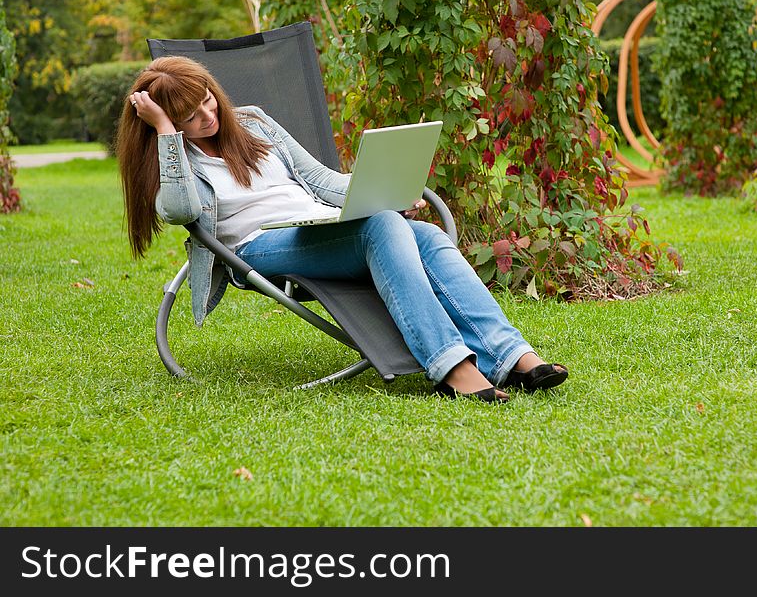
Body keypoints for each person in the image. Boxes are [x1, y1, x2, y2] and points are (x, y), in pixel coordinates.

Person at [117, 56, 568, 403]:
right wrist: (164, 132)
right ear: (171, 123)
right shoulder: (172, 157)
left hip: (317, 225)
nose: (208, 117)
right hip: (255, 248)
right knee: (380, 229)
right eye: (191, 117)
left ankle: (513, 357)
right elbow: (179, 211)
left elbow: (319, 180)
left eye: (208, 101)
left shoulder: (251, 121)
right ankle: (453, 368)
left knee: (425, 235)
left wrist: (389, 188)